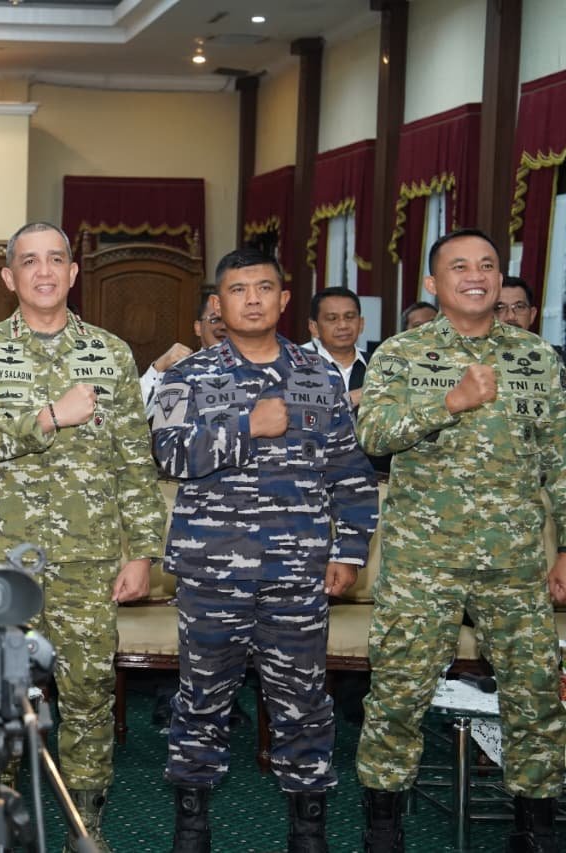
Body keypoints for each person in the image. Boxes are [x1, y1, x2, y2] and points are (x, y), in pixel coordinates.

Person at [150, 247, 378, 853]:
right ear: (218, 304)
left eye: (264, 288)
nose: (252, 299)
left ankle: (308, 828)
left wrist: (350, 551)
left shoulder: (319, 375)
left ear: (284, 299)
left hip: (298, 572)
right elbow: (167, 454)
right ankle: (191, 827)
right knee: (202, 701)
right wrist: (247, 426)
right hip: (211, 572)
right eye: (237, 290)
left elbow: (350, 474)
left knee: (303, 702)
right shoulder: (187, 376)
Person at [0, 222, 166, 853]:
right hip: (4, 559)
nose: (43, 272)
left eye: (55, 260)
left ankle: (84, 822)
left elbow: (136, 460)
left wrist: (142, 552)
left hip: (88, 559)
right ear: (9, 277)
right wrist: (50, 416)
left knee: (89, 694)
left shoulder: (111, 352)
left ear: (72, 273)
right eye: (29, 261)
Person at [356, 229, 566, 853]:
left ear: (500, 279)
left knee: (535, 695)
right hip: (425, 562)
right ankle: (383, 827)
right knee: (398, 694)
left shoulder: (536, 357)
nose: (476, 275)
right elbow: (373, 435)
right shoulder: (401, 353)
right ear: (433, 282)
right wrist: (450, 401)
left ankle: (534, 828)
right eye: (459, 266)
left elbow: (559, 460)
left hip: (515, 561)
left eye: (487, 265)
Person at [139, 290, 227, 410]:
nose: (224, 326)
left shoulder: (250, 367)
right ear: (198, 328)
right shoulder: (180, 370)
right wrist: (159, 367)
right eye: (216, 319)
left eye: (230, 320)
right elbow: (130, 411)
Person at [303, 286, 371, 407]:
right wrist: (361, 395)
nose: (343, 325)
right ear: (314, 327)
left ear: (361, 324)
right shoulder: (295, 364)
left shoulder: (376, 364)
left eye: (349, 317)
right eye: (332, 319)